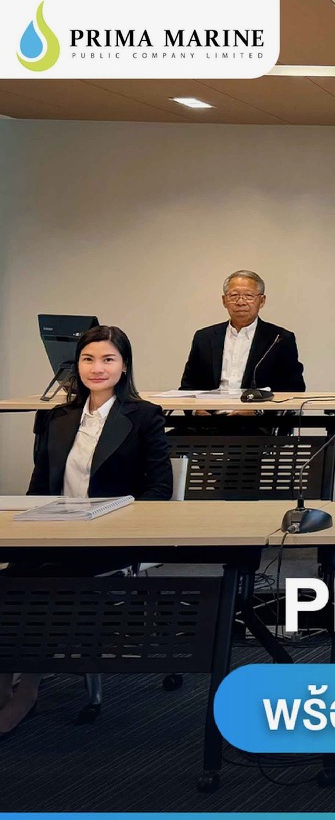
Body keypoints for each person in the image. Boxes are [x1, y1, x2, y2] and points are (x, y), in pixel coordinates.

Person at [4, 325, 173, 738]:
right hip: (54, 532)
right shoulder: (58, 418)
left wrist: (115, 520)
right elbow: (39, 486)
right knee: (8, 581)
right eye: (88, 359)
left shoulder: (144, 416)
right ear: (76, 365)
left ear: (124, 366)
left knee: (41, 582)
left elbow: (160, 489)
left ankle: (27, 688)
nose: (97, 368)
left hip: (108, 536)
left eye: (108, 359)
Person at [180, 271, 306, 393]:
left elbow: (294, 388)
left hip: (257, 407)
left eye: (249, 296)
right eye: (234, 295)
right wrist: (197, 407)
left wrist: (261, 405)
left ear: (262, 301)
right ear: (224, 301)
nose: (240, 302)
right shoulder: (204, 338)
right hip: (211, 407)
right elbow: (188, 387)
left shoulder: (279, 339)